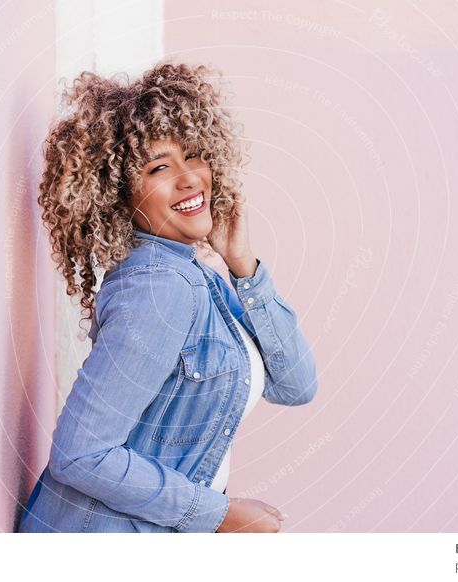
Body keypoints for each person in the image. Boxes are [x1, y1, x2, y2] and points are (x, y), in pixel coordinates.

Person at [17, 60, 318, 533]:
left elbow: (297, 384)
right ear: (118, 192)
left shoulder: (203, 277)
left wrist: (243, 264)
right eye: (160, 166)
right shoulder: (159, 286)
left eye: (194, 154)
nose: (190, 178)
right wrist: (220, 516)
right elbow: (80, 453)